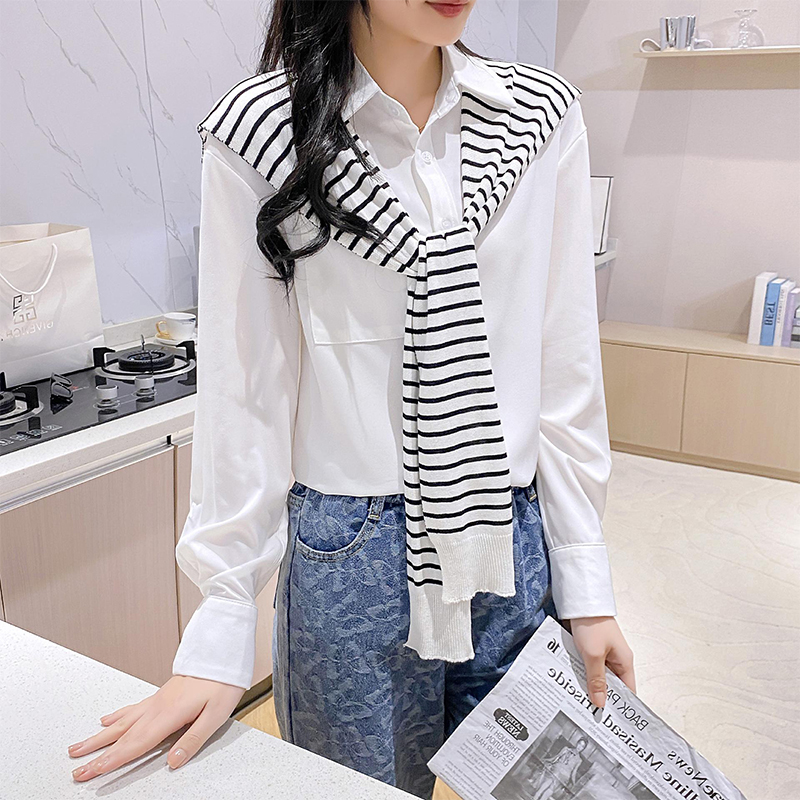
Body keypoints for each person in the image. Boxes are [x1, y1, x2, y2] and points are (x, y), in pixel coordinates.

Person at [67, 1, 636, 797]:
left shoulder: (537, 119)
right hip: (349, 559)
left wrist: (586, 583)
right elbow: (248, 389)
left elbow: (564, 366)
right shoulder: (261, 133)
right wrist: (222, 621)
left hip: (508, 540)